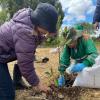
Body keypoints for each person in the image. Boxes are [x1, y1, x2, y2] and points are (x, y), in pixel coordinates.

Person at [0, 3, 58, 100]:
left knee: (27, 55)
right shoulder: (25, 32)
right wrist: (37, 84)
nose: (47, 33)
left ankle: (17, 83)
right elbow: (26, 65)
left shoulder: (28, 22)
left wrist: (46, 35)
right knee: (7, 95)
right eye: (46, 30)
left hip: (2, 55)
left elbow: (31, 45)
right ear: (39, 23)